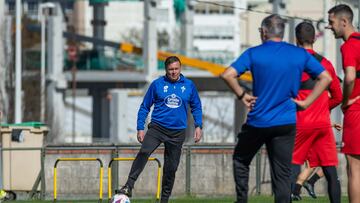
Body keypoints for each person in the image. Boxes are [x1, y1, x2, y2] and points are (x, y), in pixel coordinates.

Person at [221, 14, 332, 203]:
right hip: (286, 122)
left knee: (241, 160)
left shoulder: (253, 53)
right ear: (282, 32)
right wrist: (306, 103)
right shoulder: (299, 54)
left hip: (259, 121)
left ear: (264, 32)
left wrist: (242, 95)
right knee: (282, 175)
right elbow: (326, 78)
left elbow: (228, 74)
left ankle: (241, 200)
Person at [116, 56, 203, 203]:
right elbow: (144, 107)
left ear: (180, 69)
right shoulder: (157, 84)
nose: (174, 72)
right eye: (170, 70)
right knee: (144, 151)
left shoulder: (189, 85)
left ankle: (164, 200)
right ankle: (128, 186)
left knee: (171, 168)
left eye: (176, 69)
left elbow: (197, 106)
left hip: (178, 132)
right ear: (166, 70)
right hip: (157, 128)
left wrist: (198, 126)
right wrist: (140, 128)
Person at [290, 21, 342, 202]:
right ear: (314, 38)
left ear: (296, 39)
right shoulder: (326, 64)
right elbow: (338, 95)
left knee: (291, 166)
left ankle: (292, 193)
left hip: (300, 123)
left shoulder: (291, 64)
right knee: (330, 171)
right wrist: (321, 109)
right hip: (322, 123)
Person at [327, 4, 360, 203]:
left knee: (354, 168)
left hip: (356, 111)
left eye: (331, 23)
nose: (330, 27)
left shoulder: (349, 45)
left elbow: (349, 78)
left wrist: (346, 100)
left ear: (344, 22)